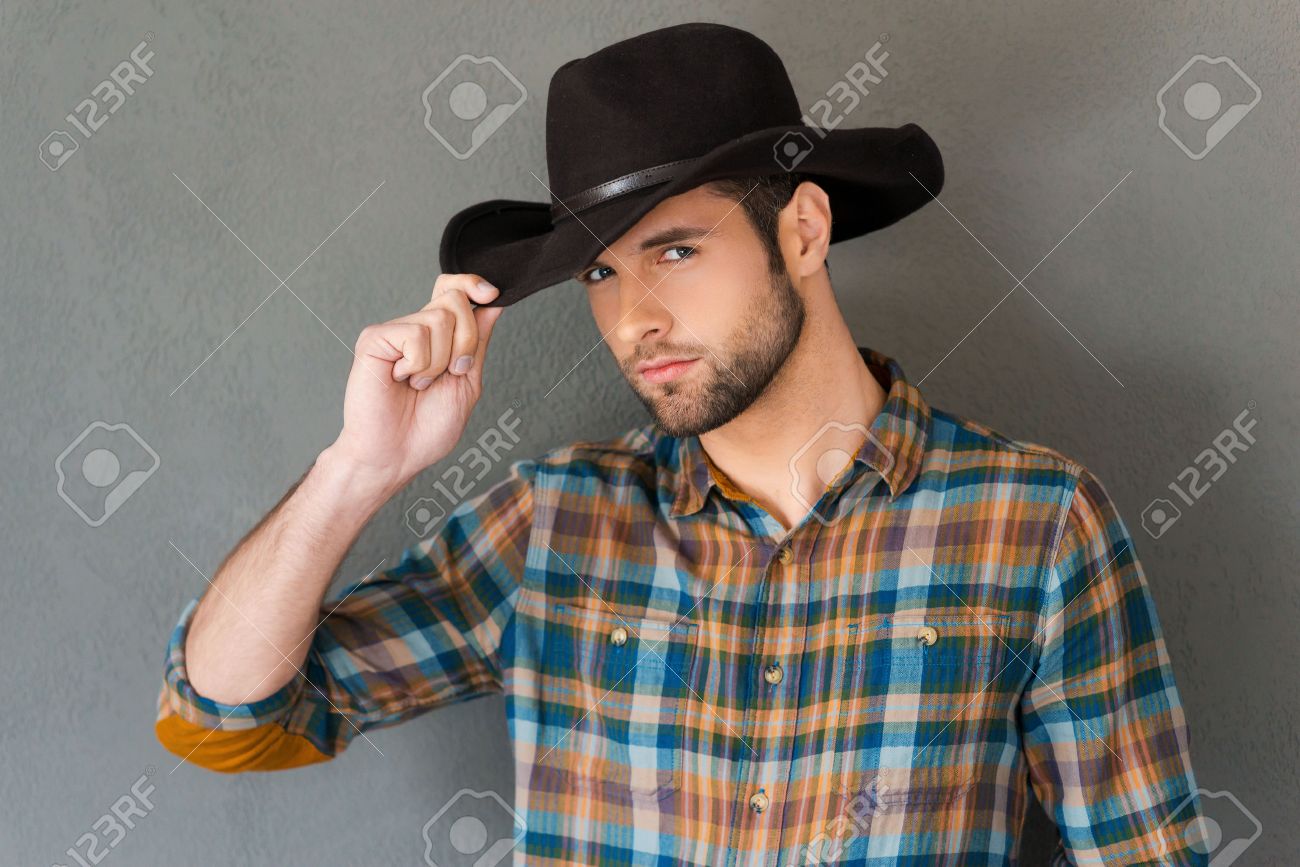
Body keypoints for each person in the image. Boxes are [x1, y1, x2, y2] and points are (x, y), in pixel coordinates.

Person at [153, 22, 1207, 866]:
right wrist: (358, 470)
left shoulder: (1034, 525)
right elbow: (223, 715)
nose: (629, 321)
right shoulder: (550, 525)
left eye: (674, 251)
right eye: (602, 273)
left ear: (801, 229)